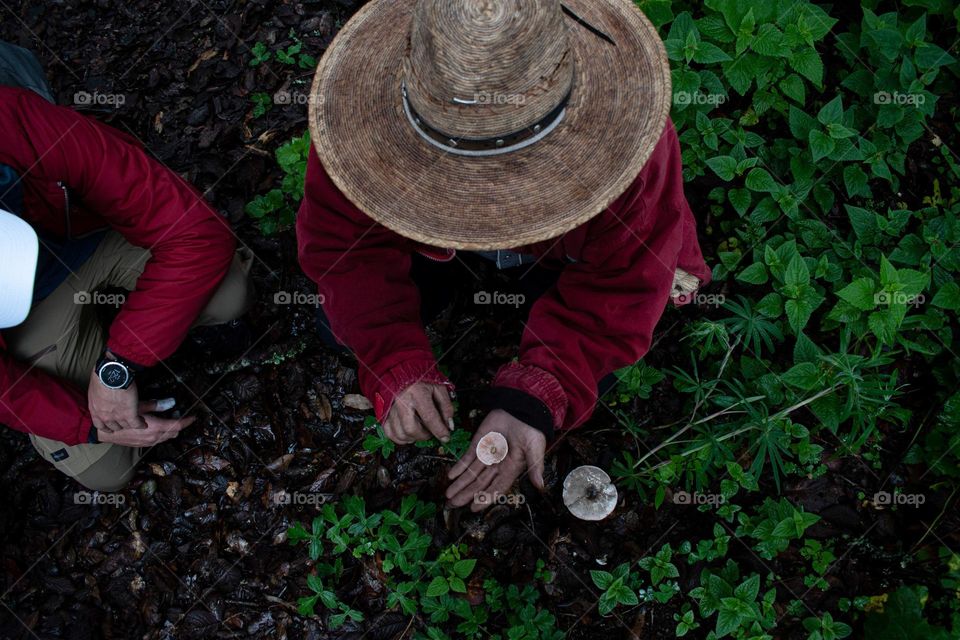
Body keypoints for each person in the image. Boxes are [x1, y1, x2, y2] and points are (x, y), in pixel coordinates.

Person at [296, 0, 711, 511]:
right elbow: (346, 248)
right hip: (435, 252)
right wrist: (393, 356)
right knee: (334, 323)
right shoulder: (354, 123)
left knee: (596, 357)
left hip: (561, 258)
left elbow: (623, 284)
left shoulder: (633, 144)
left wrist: (533, 398)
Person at [0, 41, 253, 492]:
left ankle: (128, 328)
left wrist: (116, 368)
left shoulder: (20, 123)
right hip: (31, 314)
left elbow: (198, 233)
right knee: (107, 471)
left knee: (228, 292)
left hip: (85, 236)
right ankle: (123, 329)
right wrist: (90, 423)